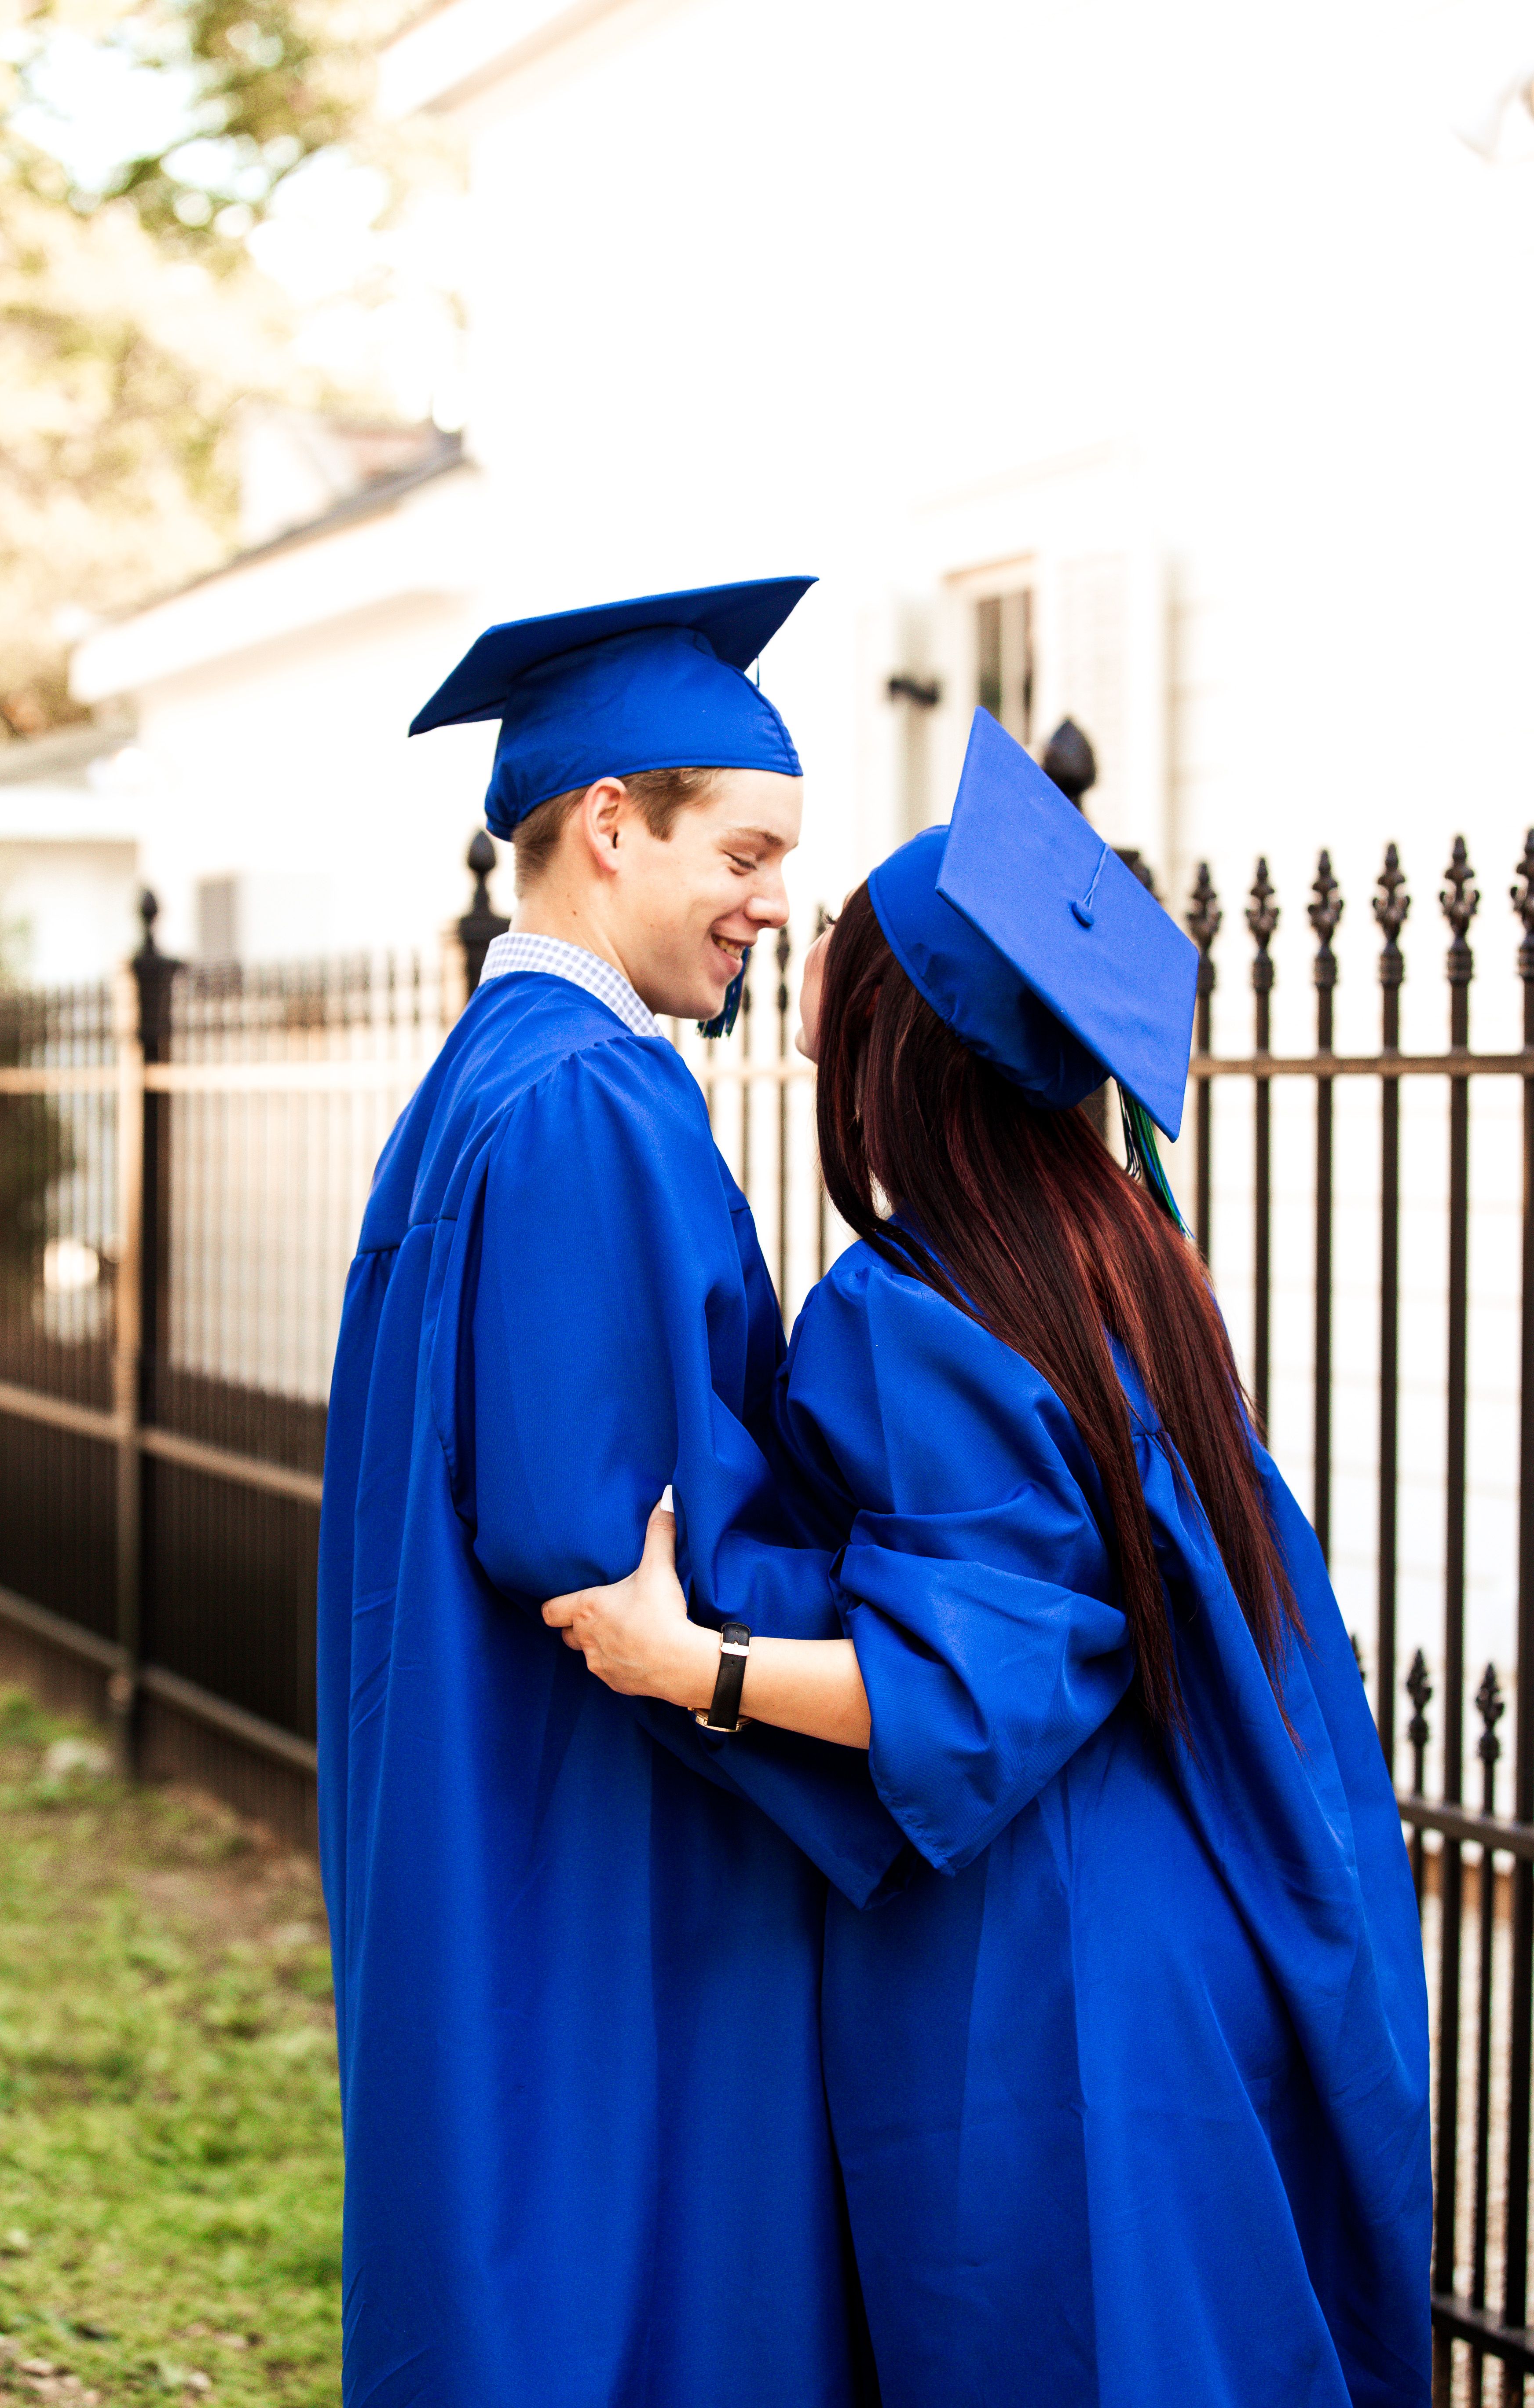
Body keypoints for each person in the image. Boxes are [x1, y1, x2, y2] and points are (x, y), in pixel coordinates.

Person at [544, 708, 1433, 2408]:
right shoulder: (1124, 1261)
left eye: (834, 934)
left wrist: (686, 1662)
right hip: (1196, 1926)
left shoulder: (912, 1309)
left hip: (1043, 1980)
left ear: (898, 1033)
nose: (791, 939)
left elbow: (968, 1688)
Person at [317, 579, 905, 2408]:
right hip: (597, 1816)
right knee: (615, 2277)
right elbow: (602, 1537)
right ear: (606, 826)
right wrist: (931, 1626)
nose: (775, 901)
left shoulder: (487, 1082)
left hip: (490, 1775)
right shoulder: (586, 1100)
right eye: (745, 851)